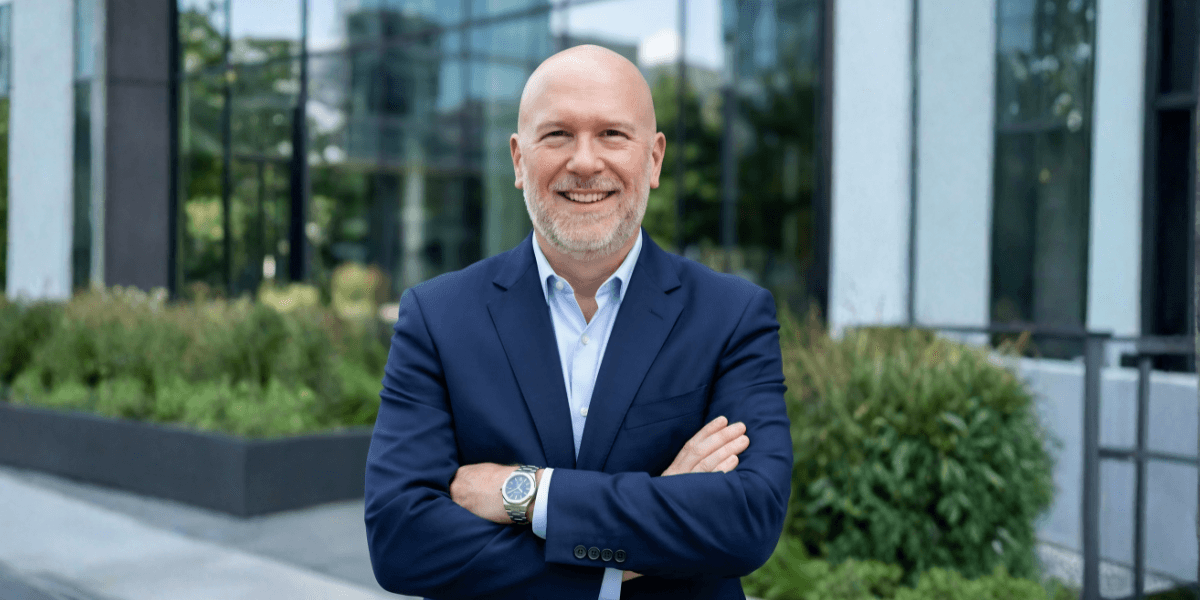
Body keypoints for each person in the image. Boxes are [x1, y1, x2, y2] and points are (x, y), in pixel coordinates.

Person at [364, 44, 792, 600]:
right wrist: (643, 536)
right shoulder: (437, 316)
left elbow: (746, 522)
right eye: (558, 134)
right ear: (519, 160)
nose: (585, 162)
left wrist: (526, 494)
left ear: (654, 159)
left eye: (613, 134)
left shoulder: (732, 316)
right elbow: (402, 542)